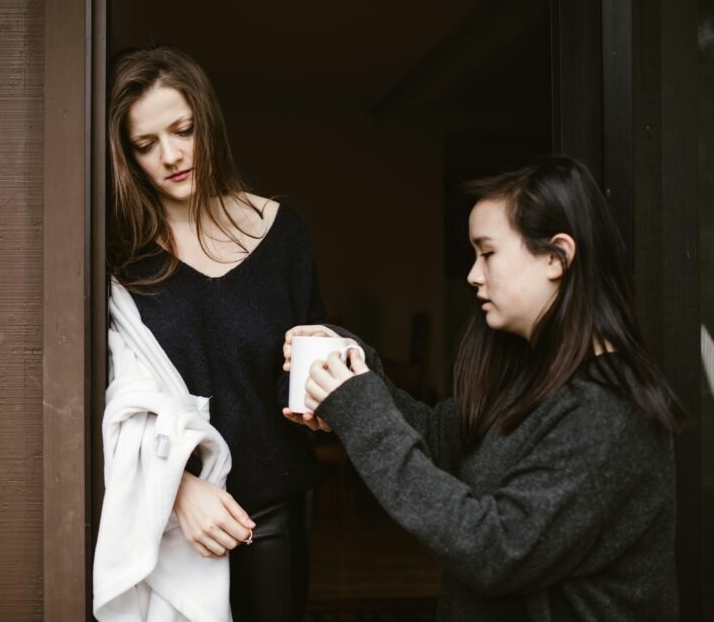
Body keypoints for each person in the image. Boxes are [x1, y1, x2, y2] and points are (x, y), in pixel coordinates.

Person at [283, 156, 683, 620]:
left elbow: (494, 551)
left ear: (556, 257)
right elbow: (437, 441)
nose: (473, 274)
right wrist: (355, 370)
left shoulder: (609, 408)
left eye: (487, 253)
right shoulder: (531, 375)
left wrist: (360, 408)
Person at [102, 45, 324, 621]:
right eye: (146, 145)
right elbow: (117, 401)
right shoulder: (120, 261)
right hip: (164, 511)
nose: (172, 156)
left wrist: (323, 404)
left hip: (269, 509)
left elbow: (300, 368)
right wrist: (176, 486)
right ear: (126, 156)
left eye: (183, 130)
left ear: (208, 122)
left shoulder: (282, 234)